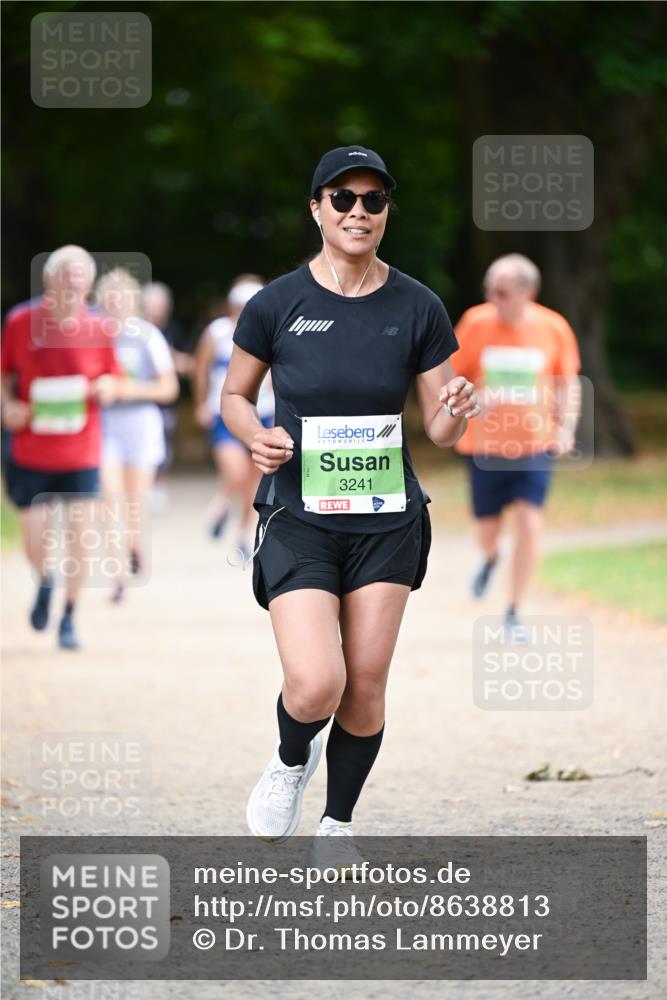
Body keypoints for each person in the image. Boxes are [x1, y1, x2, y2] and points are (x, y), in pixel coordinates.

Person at [221, 146, 480, 851]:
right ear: (317, 208)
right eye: (343, 198)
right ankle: (287, 760)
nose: (359, 212)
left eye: (374, 200)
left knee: (363, 687)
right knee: (315, 684)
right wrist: (255, 434)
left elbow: (439, 426)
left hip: (385, 519)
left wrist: (460, 403)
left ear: (386, 212)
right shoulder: (276, 304)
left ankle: (337, 822)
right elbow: (233, 395)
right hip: (299, 512)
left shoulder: (417, 304)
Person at [0, 245, 125, 649]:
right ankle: (45, 581)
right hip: (30, 450)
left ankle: (69, 615)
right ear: (48, 278)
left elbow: (113, 377)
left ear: (89, 282)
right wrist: (8, 406)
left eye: (80, 276)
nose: (72, 282)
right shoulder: (21, 321)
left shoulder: (99, 327)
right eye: (65, 274)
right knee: (35, 541)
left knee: (78, 536)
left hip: (81, 450)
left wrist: (108, 386)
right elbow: (4, 376)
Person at [451, 253, 581, 633]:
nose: (494, 296)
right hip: (484, 447)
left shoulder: (553, 327)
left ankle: (514, 611)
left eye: (503, 291)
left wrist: (567, 427)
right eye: (489, 289)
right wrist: (476, 396)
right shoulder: (475, 323)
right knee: (487, 532)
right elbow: (450, 378)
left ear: (528, 292)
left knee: (529, 522)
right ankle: (491, 559)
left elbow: (567, 381)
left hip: (534, 445)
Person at [96, 268, 179, 603]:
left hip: (141, 426)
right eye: (108, 301)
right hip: (104, 428)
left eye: (121, 300)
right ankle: (118, 574)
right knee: (109, 501)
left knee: (134, 503)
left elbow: (168, 389)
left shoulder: (147, 337)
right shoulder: (91, 336)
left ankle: (132, 545)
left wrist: (125, 389)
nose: (115, 307)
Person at [193, 275, 274, 552]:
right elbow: (201, 369)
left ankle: (243, 533)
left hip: (262, 411)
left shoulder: (270, 330)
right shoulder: (216, 333)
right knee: (236, 473)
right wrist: (201, 403)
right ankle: (223, 503)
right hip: (224, 413)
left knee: (255, 479)